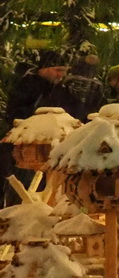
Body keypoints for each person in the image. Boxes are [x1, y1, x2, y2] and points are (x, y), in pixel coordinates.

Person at [3, 50, 80, 186]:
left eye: (64, 71)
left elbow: (75, 110)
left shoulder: (60, 89)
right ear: (44, 69)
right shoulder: (27, 86)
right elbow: (15, 114)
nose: (61, 75)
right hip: (29, 151)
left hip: (53, 152)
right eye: (58, 70)